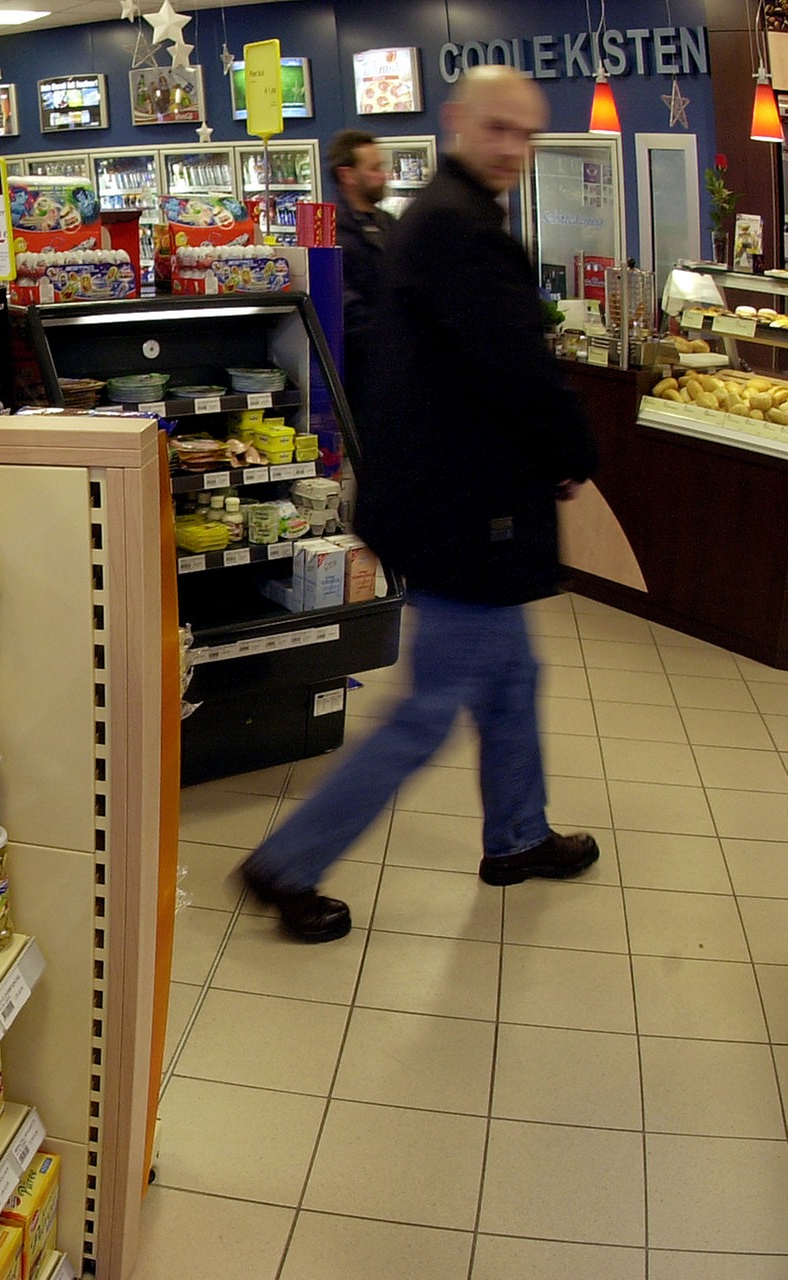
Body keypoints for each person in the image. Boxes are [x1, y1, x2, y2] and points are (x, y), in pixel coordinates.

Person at [240, 65, 600, 944]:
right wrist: (571, 454)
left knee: (514, 679)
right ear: (457, 123)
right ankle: (287, 865)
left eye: (527, 135)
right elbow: (516, 367)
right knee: (428, 710)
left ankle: (517, 835)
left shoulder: (437, 216)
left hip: (448, 501)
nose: (515, 149)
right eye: (500, 130)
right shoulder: (459, 230)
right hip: (463, 516)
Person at [328, 129, 396, 346]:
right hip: (361, 360)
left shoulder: (389, 223)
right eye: (374, 169)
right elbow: (346, 307)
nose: (383, 175)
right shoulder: (331, 235)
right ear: (347, 175)